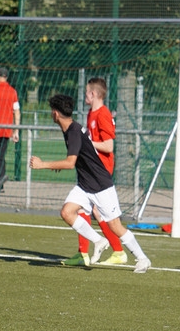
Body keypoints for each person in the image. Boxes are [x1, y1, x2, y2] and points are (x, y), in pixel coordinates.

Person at [30, 94, 151, 273]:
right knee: (67, 212)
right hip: (85, 185)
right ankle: (99, 241)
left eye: (51, 111)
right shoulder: (70, 129)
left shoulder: (73, 131)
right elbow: (75, 159)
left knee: (115, 226)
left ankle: (142, 259)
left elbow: (70, 163)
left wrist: (43, 165)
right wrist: (59, 165)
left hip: (101, 185)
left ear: (55, 113)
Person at [70, 77, 127, 266]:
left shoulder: (102, 114)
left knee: (93, 210)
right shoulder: (91, 113)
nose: (85, 95)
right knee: (84, 208)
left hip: (101, 169)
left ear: (93, 94)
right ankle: (84, 253)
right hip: (91, 168)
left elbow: (109, 146)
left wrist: (87, 144)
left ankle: (117, 251)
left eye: (87, 92)